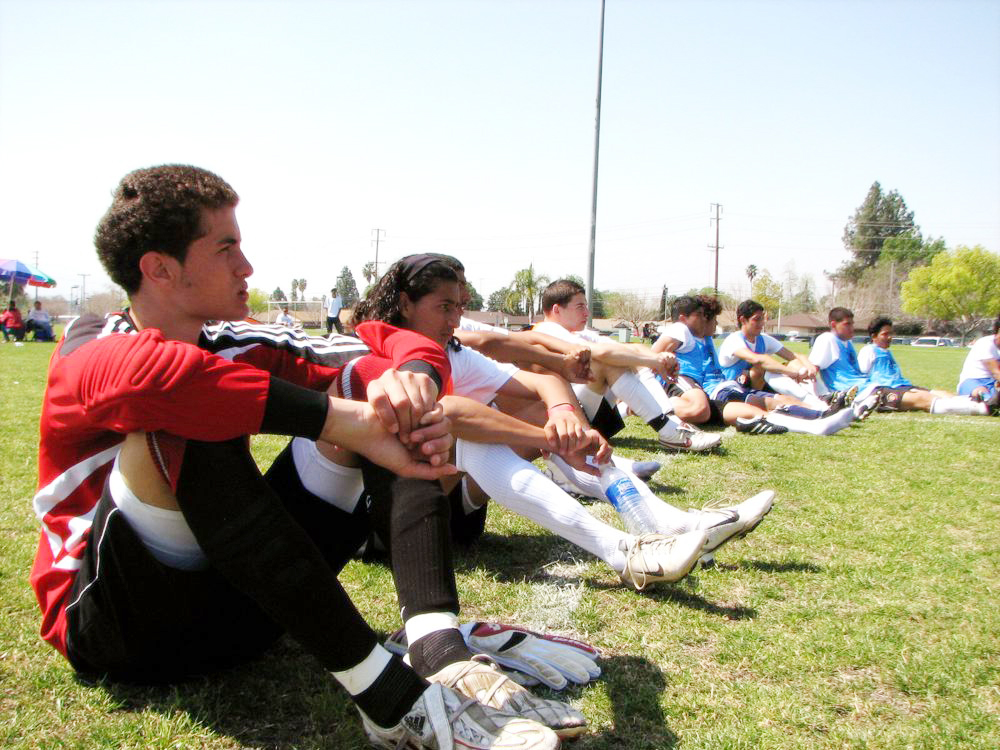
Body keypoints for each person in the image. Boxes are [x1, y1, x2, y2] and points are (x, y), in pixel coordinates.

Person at [31, 165, 559, 750]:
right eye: (225, 247)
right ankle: (387, 700)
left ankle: (438, 648)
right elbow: (148, 378)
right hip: (118, 628)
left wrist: (409, 379)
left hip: (247, 619)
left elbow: (390, 342)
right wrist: (339, 421)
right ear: (160, 269)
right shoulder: (92, 340)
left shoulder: (239, 340)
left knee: (382, 395)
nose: (246, 267)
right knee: (180, 415)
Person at [534, 279, 722, 453]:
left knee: (625, 355)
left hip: (583, 414)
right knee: (609, 363)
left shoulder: (577, 333)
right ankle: (670, 430)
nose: (587, 313)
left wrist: (660, 359)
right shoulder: (547, 330)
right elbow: (602, 354)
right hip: (561, 421)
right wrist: (652, 362)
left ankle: (671, 425)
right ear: (557, 310)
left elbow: (630, 348)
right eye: (580, 307)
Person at [653, 296, 857, 436]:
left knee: (760, 412)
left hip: (719, 390)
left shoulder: (703, 339)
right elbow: (655, 355)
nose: (715, 324)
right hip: (713, 391)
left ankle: (818, 421)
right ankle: (647, 406)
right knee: (761, 403)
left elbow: (786, 355)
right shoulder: (683, 331)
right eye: (710, 318)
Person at [718, 299, 852, 412]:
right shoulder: (734, 340)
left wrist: (808, 366)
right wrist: (793, 373)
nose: (762, 323)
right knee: (763, 367)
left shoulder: (763, 339)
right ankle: (818, 404)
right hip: (734, 390)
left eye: (762, 319)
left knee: (794, 365)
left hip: (756, 388)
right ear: (743, 320)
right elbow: (758, 359)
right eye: (756, 319)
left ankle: (824, 397)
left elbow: (794, 355)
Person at [858, 317, 992, 415]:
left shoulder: (887, 352)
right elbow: (862, 376)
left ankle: (983, 401)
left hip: (902, 386)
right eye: (885, 334)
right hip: (889, 390)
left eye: (890, 334)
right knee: (928, 398)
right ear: (873, 336)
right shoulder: (868, 351)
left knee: (941, 393)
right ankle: (983, 409)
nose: (889, 337)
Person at [956, 317, 1000, 409]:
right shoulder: (986, 343)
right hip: (973, 381)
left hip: (994, 384)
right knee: (981, 392)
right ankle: (988, 401)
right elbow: (996, 372)